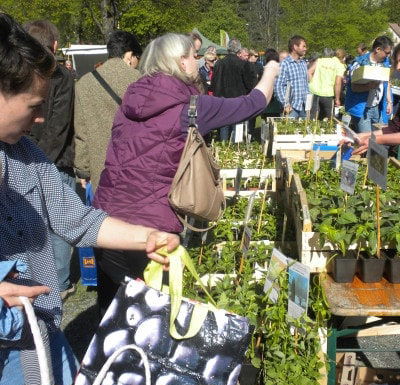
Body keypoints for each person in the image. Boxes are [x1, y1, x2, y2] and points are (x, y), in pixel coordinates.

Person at [0, 13, 179, 385]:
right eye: (33, 103)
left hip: (35, 339)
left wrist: (148, 236)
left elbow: (77, 219)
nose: (42, 116)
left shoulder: (26, 155)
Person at [93, 32, 280, 315]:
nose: (197, 61)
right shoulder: (192, 108)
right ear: (181, 62)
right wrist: (271, 70)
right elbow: (253, 103)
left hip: (107, 226)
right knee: (150, 322)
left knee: (111, 321)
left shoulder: (129, 102)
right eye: (194, 56)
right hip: (151, 234)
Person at [23, 20, 77, 300]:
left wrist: (35, 161)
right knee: (44, 225)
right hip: (42, 158)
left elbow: (57, 125)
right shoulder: (53, 75)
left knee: (55, 224)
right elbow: (56, 125)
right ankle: (49, 281)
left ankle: (59, 282)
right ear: (54, 45)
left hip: (49, 160)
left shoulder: (57, 76)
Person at [74, 30, 142, 191]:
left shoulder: (84, 84)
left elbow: (81, 132)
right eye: (137, 58)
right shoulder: (141, 81)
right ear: (130, 55)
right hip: (136, 166)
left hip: (101, 168)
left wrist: (83, 170)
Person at [353, 43, 400, 155]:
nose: (398, 68)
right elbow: (395, 128)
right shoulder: (359, 62)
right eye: (397, 62)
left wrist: (373, 140)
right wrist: (363, 135)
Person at [345, 35, 393, 133]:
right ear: (378, 49)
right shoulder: (359, 64)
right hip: (362, 109)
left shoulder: (385, 63)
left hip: (378, 108)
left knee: (378, 140)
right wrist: (368, 86)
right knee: (366, 141)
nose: (388, 56)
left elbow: (386, 82)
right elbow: (353, 87)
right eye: (387, 53)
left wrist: (389, 102)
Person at [211, 38, 257, 140]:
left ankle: (223, 149)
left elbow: (214, 83)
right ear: (239, 50)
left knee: (224, 127)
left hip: (223, 100)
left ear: (228, 49)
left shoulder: (219, 63)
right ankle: (236, 149)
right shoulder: (243, 64)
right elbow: (250, 84)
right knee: (238, 128)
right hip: (238, 101)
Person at [275, 35, 308, 118]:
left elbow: (305, 84)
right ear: (295, 47)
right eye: (303, 46)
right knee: (288, 130)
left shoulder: (303, 63)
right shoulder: (285, 64)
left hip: (304, 106)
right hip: (291, 108)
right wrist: (286, 104)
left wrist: (308, 103)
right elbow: (278, 86)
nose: (305, 49)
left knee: (304, 130)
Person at [308, 48, 346, 119]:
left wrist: (312, 82)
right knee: (330, 118)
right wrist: (337, 99)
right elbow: (337, 83)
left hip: (314, 92)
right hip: (327, 94)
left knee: (313, 116)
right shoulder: (340, 65)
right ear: (343, 58)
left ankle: (312, 129)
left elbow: (309, 72)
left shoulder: (320, 60)